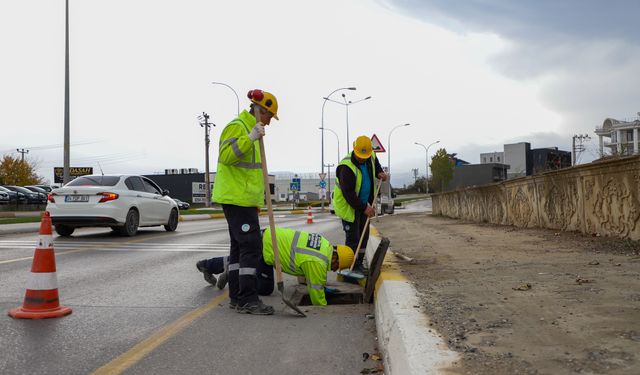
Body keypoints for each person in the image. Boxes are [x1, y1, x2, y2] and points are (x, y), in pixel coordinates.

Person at [204, 89, 278, 315]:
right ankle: (248, 299)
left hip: (244, 200)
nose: (269, 122)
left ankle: (236, 297)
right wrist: (250, 138)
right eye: (268, 116)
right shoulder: (239, 127)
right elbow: (226, 156)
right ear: (259, 110)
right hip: (236, 199)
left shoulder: (253, 130)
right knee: (251, 247)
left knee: (238, 250)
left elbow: (251, 173)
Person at [197, 227, 354, 306]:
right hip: (266, 249)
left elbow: (302, 263)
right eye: (336, 267)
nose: (333, 270)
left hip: (267, 236)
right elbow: (317, 297)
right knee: (265, 288)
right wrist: (324, 304)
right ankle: (234, 274)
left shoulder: (323, 244)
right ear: (336, 258)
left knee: (243, 259)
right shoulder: (318, 262)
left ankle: (207, 265)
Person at [332, 135, 387, 274]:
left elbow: (376, 165)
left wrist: (380, 172)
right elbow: (349, 194)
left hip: (363, 204)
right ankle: (350, 266)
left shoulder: (370, 155)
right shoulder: (346, 168)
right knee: (353, 238)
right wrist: (364, 208)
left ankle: (359, 263)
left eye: (366, 156)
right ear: (354, 149)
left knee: (364, 235)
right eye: (360, 156)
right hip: (349, 206)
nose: (363, 158)